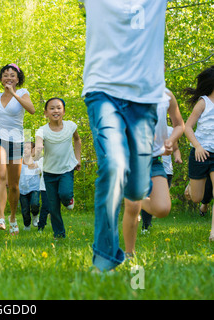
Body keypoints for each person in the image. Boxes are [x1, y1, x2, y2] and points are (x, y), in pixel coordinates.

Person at [80, 0, 170, 271]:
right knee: (114, 165)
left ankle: (129, 189)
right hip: (103, 90)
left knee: (137, 188)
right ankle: (104, 258)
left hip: (144, 99)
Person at [123, 88, 184, 255]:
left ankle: (131, 196)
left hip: (154, 160)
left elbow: (179, 125)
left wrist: (171, 141)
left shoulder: (167, 95)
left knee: (162, 209)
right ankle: (129, 253)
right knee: (132, 206)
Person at [0, 63, 35, 235]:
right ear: (1, 79)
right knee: (0, 176)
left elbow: (32, 110)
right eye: (5, 75)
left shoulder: (22, 92)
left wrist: (13, 93)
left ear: (18, 79)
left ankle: (13, 217)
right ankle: (1, 218)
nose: (8, 77)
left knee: (13, 185)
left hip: (16, 140)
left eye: (12, 75)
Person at [34, 98, 81, 239]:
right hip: (49, 173)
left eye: (59, 108)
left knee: (65, 194)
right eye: (52, 108)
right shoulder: (41, 130)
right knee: (53, 207)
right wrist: (37, 150)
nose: (56, 111)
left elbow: (77, 140)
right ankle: (59, 234)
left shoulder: (71, 126)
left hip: (66, 169)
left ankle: (68, 200)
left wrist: (77, 158)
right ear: (46, 113)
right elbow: (38, 144)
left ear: (64, 111)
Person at [183, 65, 214, 241]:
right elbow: (187, 127)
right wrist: (198, 146)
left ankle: (213, 233)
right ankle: (191, 186)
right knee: (196, 197)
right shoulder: (203, 102)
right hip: (200, 153)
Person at [141, 125, 182, 233]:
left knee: (159, 202)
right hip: (152, 167)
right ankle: (146, 226)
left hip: (167, 171)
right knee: (148, 194)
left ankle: (138, 204)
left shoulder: (170, 131)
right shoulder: (145, 127)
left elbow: (176, 149)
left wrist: (177, 157)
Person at [19, 142, 40, 231]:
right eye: (24, 148)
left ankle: (35, 215)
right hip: (22, 189)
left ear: (32, 150)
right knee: (25, 210)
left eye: (28, 148)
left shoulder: (37, 161)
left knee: (35, 204)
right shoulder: (19, 162)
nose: (25, 150)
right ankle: (27, 225)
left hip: (34, 188)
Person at [36, 156, 50, 232]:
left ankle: (57, 226)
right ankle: (41, 226)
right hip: (44, 187)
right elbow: (42, 170)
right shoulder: (42, 160)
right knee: (45, 206)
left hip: (55, 186)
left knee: (53, 207)